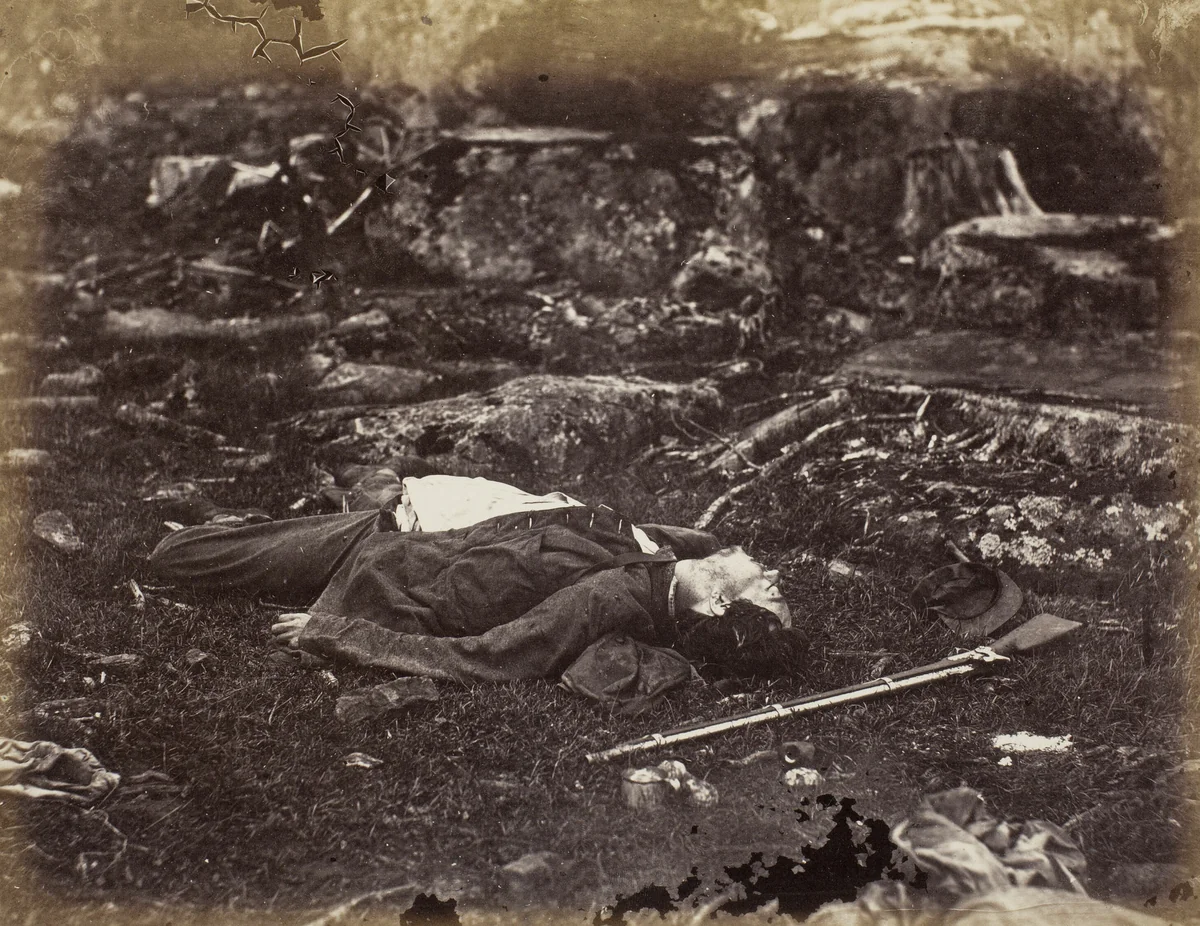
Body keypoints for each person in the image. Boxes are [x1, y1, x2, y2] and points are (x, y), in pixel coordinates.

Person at [148, 473, 802, 682]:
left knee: (174, 557)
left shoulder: (612, 598)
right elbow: (705, 547)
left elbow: (487, 656)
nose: (772, 573)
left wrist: (339, 634)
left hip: (384, 553)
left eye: (769, 590)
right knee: (215, 546)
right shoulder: (669, 557)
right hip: (431, 507)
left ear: (719, 604)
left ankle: (252, 529)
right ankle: (308, 504)